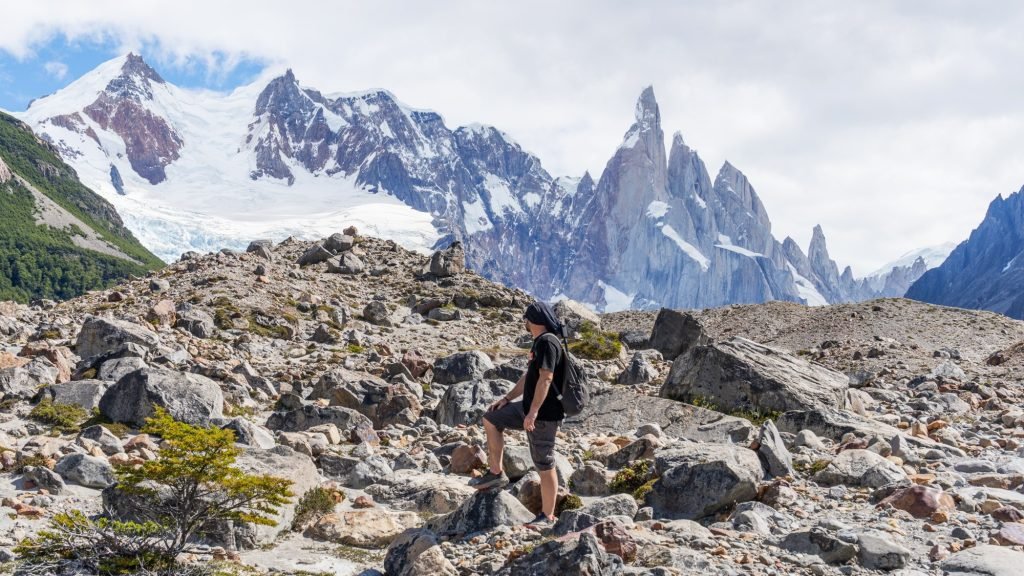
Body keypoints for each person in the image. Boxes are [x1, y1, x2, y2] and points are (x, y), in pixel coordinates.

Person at [469, 301, 566, 529]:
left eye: (526, 319)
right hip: (527, 408)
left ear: (533, 321)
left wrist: (533, 412)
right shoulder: (540, 343)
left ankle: (548, 516)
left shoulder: (548, 343)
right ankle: (496, 473)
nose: (524, 322)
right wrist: (506, 399)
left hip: (544, 414)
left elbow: (546, 378)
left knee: (544, 462)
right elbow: (530, 377)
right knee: (492, 418)